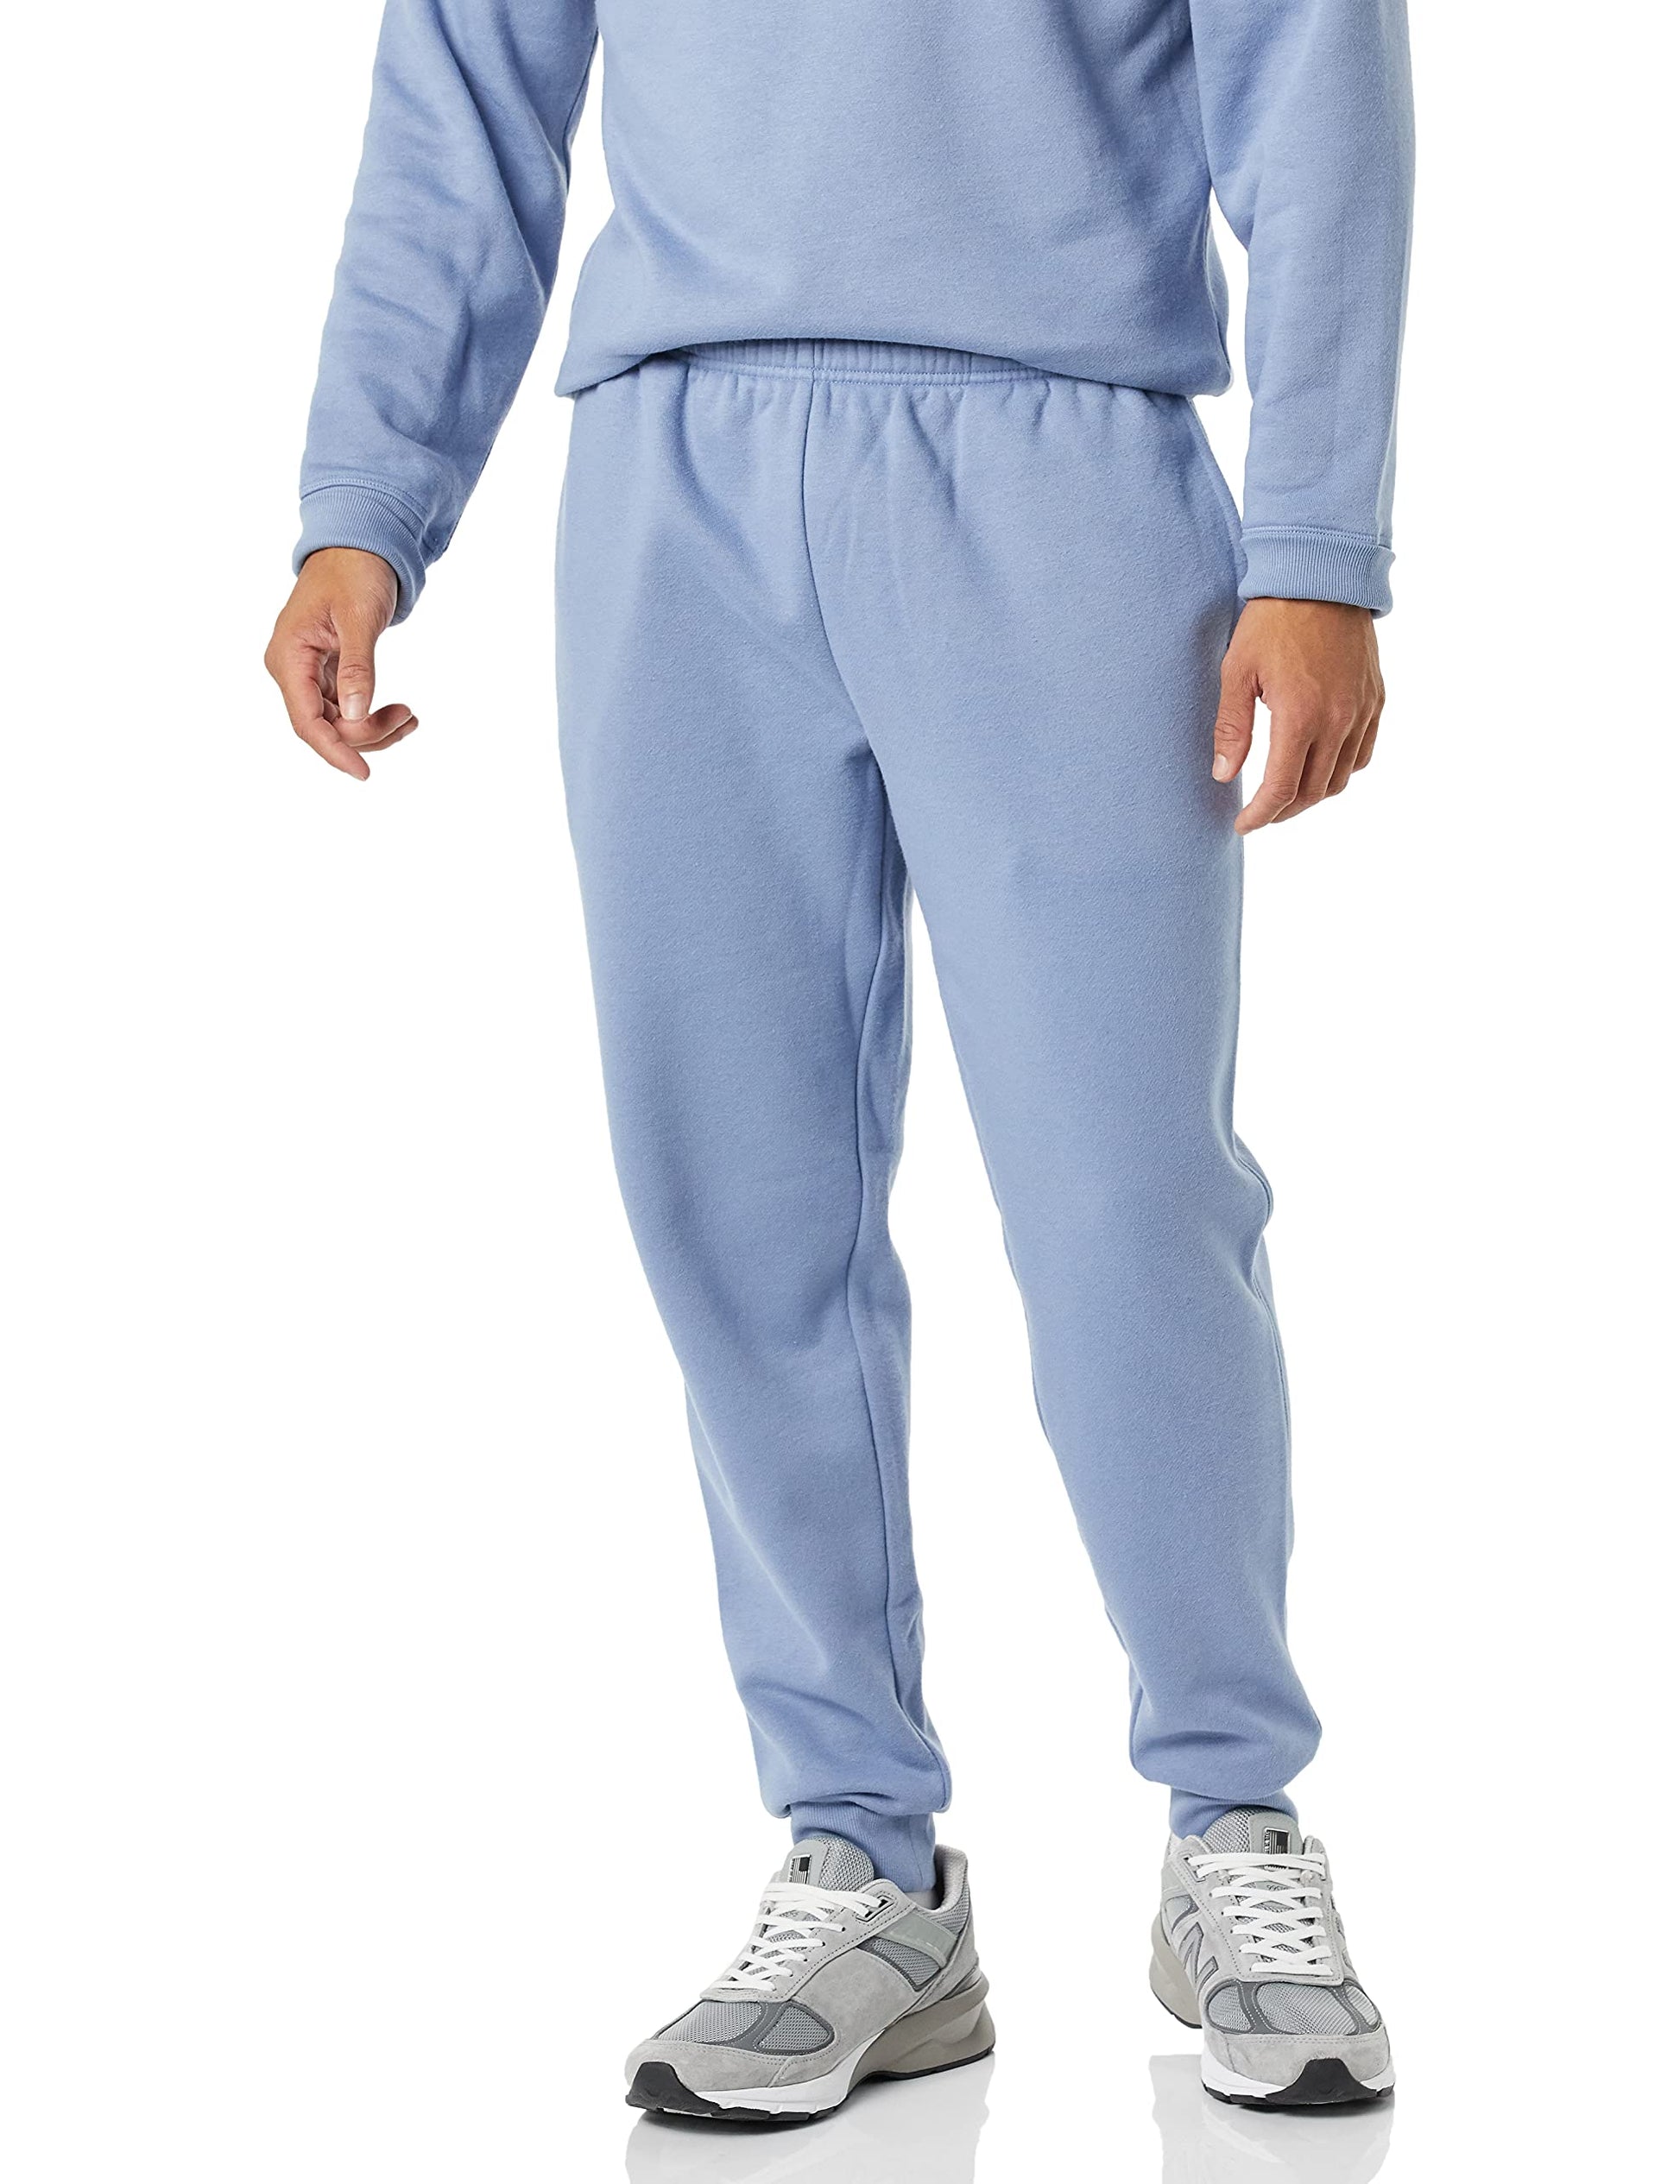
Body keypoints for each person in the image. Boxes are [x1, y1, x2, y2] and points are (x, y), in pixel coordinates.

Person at [266, 0, 1412, 2122]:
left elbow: (1314, 79)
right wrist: (367, 497)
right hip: (674, 465)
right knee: (733, 1199)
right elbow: (466, 93)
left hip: (1064, 446)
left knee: (1125, 1196)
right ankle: (860, 1850)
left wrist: (1318, 539)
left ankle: (1233, 1814)